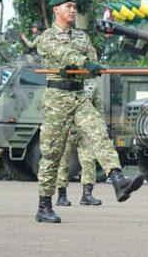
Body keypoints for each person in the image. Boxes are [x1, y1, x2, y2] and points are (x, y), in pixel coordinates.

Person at [34, 0, 144, 223]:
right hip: (57, 99)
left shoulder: (83, 38)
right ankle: (44, 205)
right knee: (52, 155)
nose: (73, 10)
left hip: (79, 95)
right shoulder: (47, 37)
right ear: (56, 10)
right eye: (68, 6)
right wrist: (83, 64)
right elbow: (63, 54)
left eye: (75, 6)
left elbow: (92, 60)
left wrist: (89, 67)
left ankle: (118, 181)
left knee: (99, 135)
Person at [54, 79, 103, 207]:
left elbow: (98, 107)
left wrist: (99, 127)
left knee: (89, 161)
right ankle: (61, 196)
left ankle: (87, 195)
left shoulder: (92, 85)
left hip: (85, 130)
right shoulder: (62, 81)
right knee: (64, 163)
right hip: (67, 129)